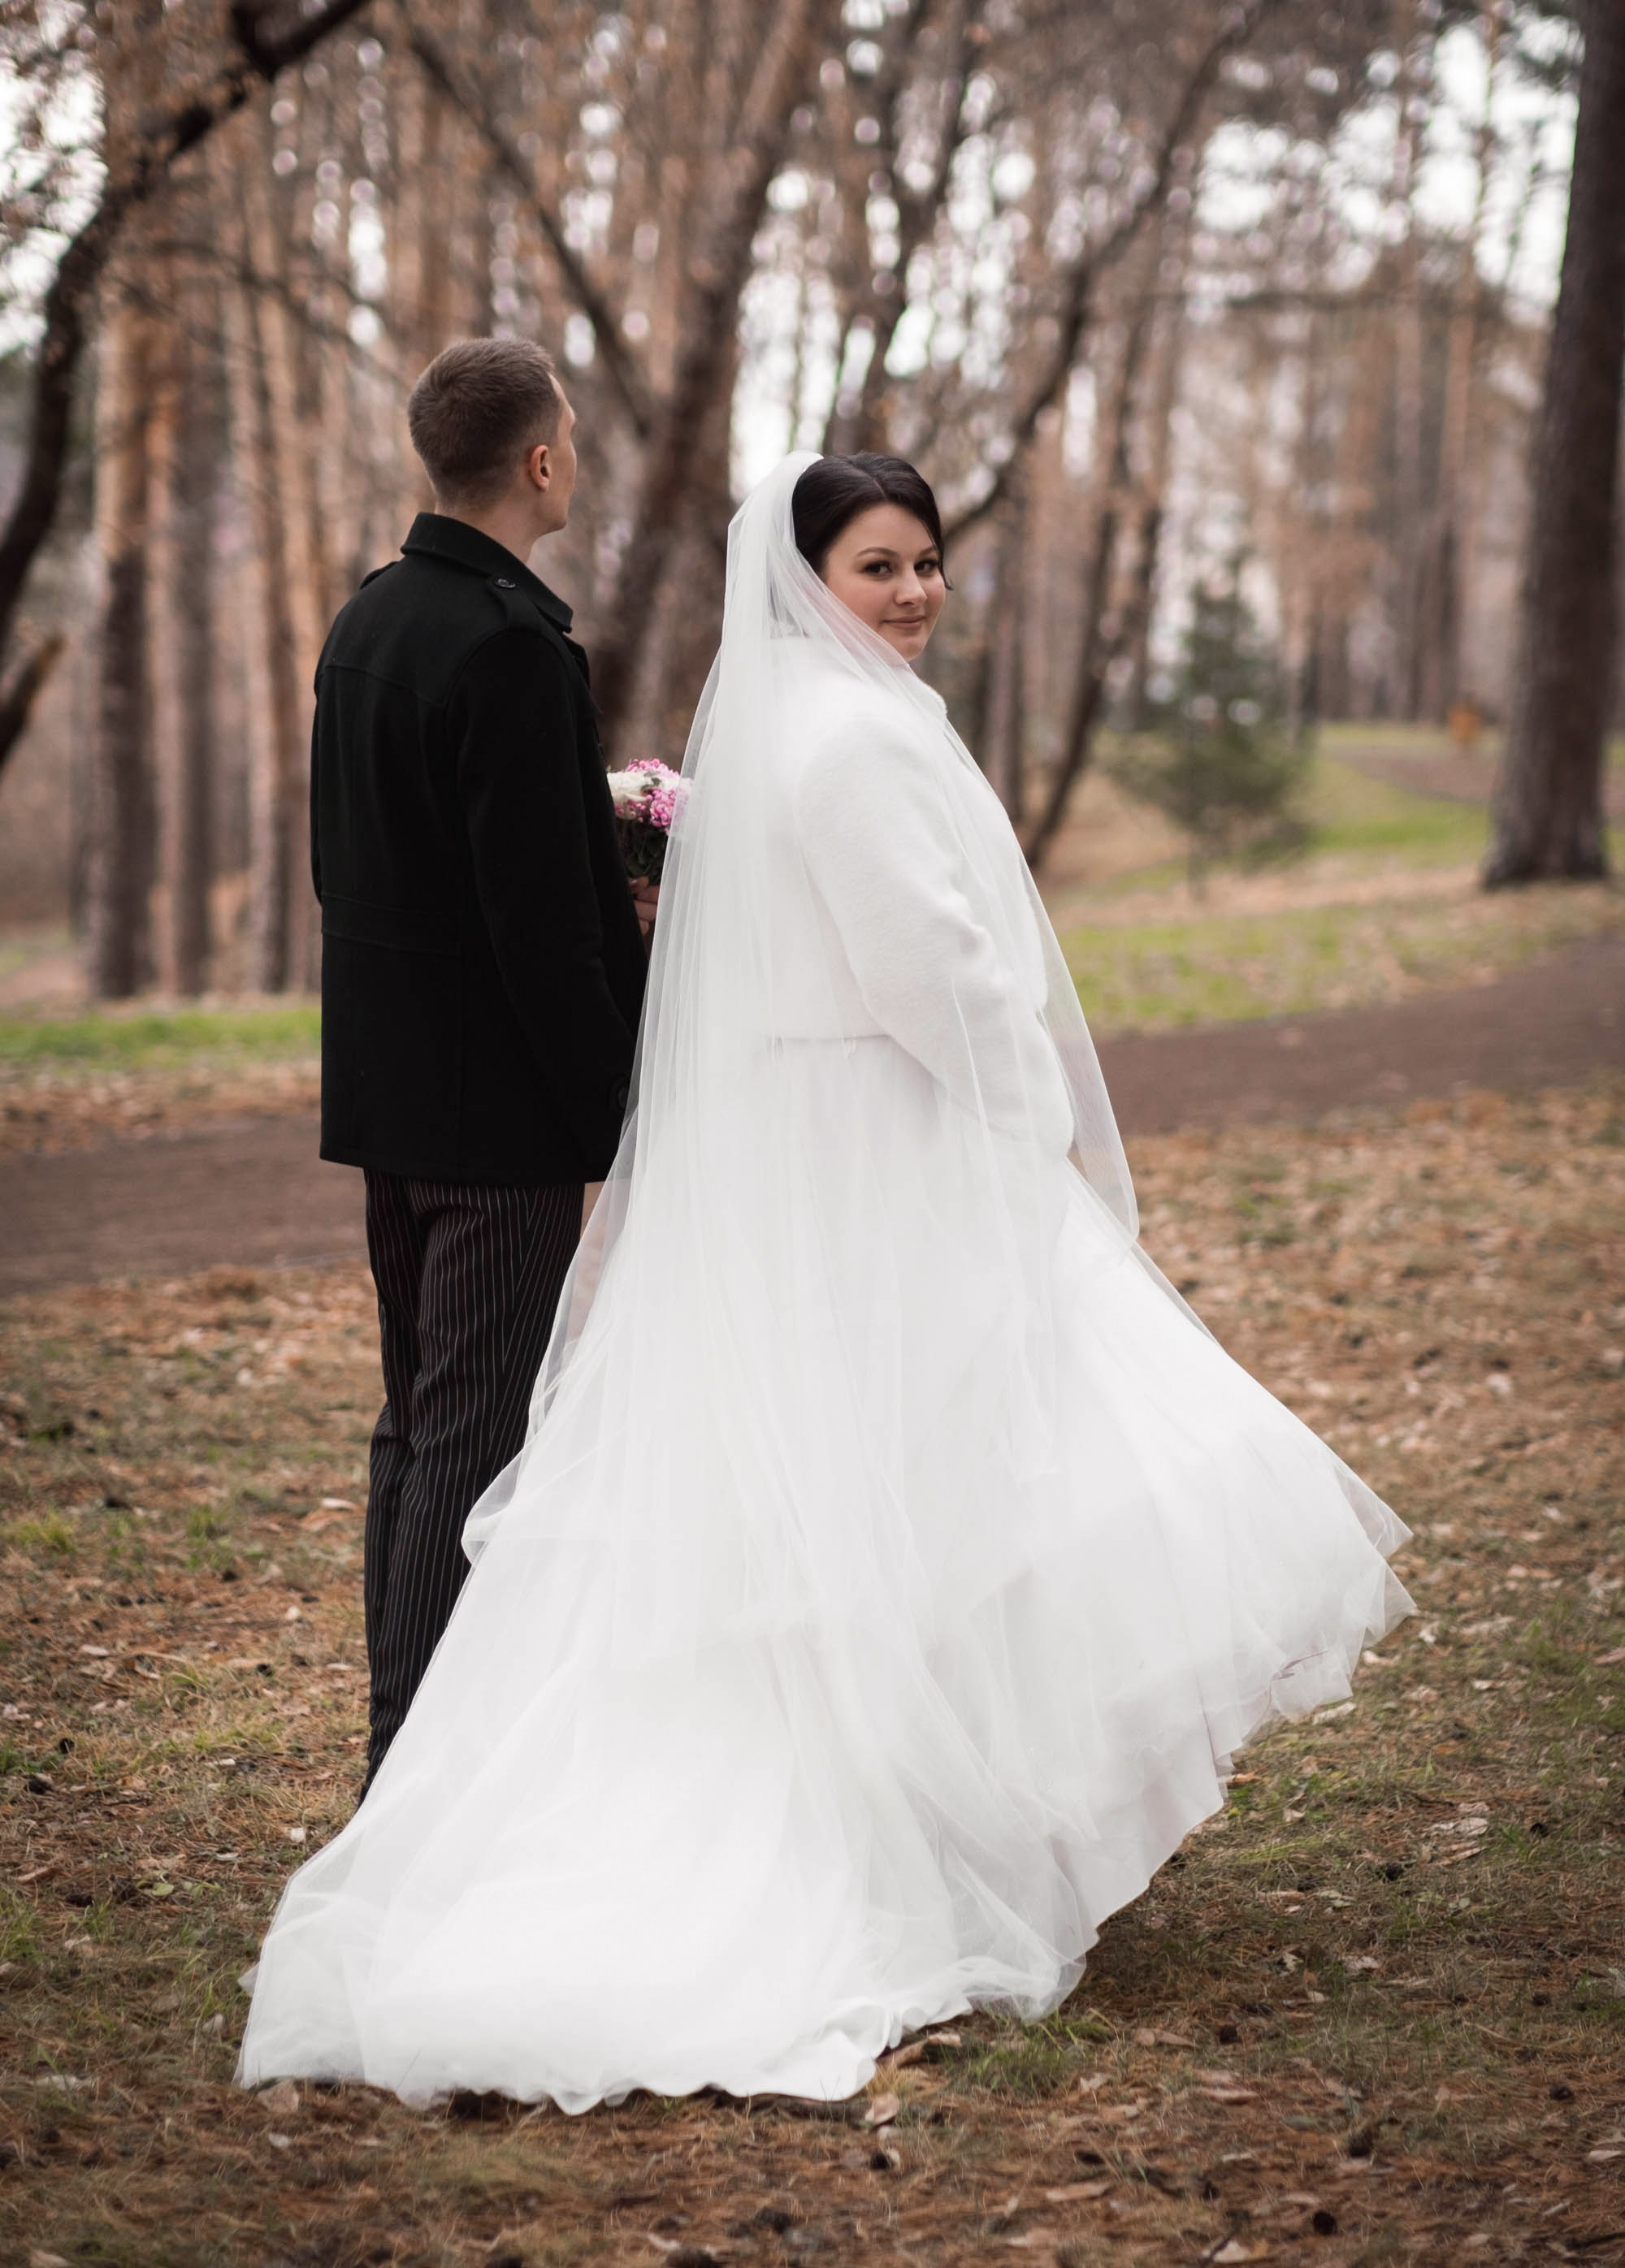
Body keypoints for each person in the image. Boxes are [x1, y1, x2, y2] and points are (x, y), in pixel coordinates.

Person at [241, 449, 1410, 2108]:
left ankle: (946, 1807)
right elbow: (921, 969)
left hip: (815, 1136)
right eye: (877, 566)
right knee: (926, 1467)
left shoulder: (792, 718)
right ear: (808, 580)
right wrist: (1029, 1127)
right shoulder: (849, 739)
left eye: (925, 559)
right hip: (875, 1143)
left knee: (877, 1479)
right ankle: (890, 1831)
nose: (913, 591)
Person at [309, 336, 650, 1786]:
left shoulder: (371, 621)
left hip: (391, 1101)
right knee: (473, 1442)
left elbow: (373, 870)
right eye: (570, 437)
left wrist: (602, 826)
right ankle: (418, 1770)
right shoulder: (512, 648)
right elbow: (538, 936)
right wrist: (615, 1110)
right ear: (541, 461)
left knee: (417, 1426)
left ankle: (398, 1746)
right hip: (497, 1121)